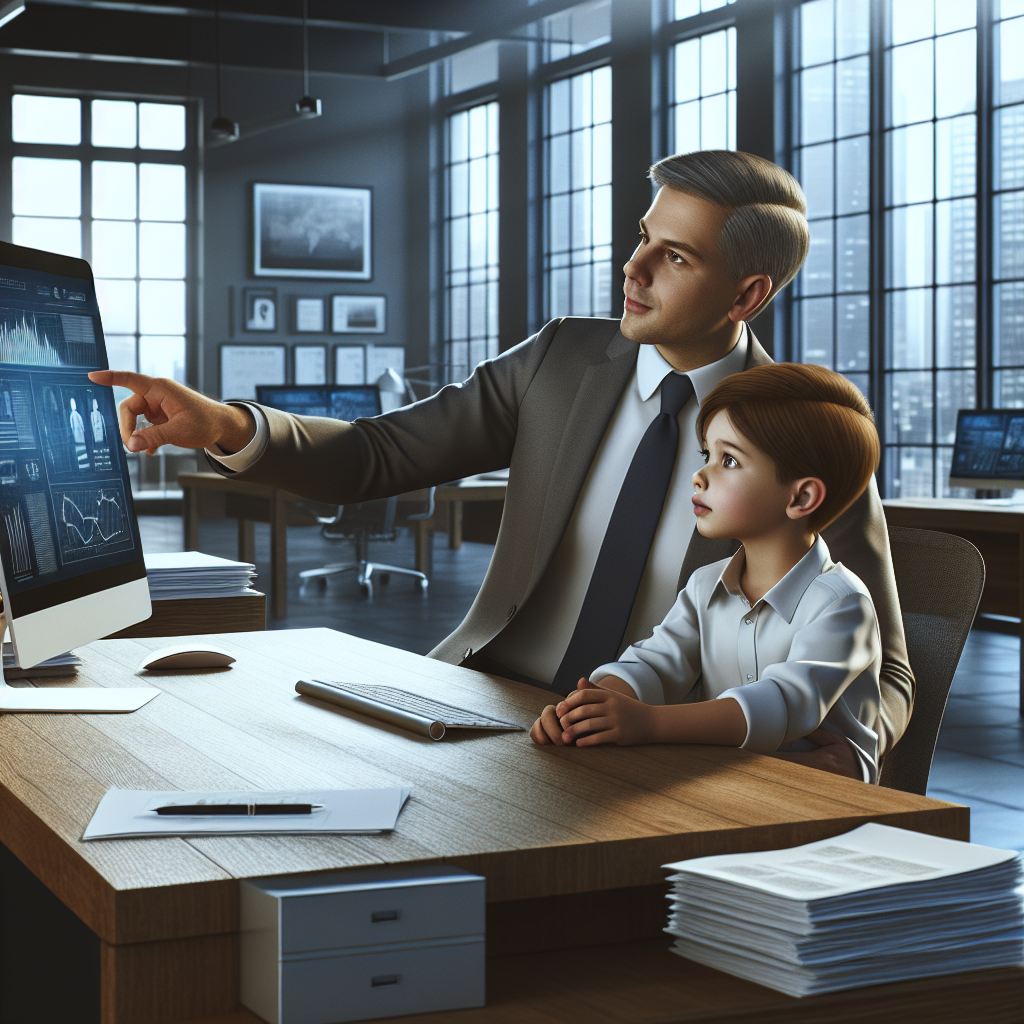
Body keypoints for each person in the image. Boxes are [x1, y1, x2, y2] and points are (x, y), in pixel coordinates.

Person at [88, 150, 913, 780]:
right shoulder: (559, 359)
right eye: (641, 240)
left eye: (677, 258)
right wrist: (227, 424)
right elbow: (381, 453)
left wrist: (843, 757)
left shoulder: (808, 436)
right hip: (481, 703)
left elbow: (889, 675)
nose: (633, 270)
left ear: (745, 297)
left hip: (656, 756)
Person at [531, 363, 883, 782]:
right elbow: (658, 662)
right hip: (724, 778)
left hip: (822, 795)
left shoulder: (841, 604)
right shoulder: (705, 584)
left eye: (729, 460)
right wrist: (592, 707)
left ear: (802, 496)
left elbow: (784, 702)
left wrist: (650, 724)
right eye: (707, 455)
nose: (699, 476)